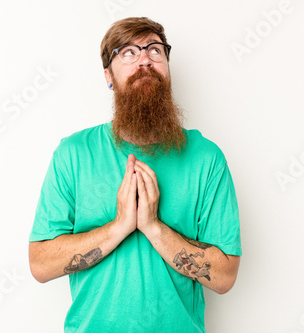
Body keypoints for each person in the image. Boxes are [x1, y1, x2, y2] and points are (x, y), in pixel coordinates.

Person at [28, 16, 242, 333]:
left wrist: (153, 227)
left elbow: (224, 277)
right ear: (108, 76)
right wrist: (120, 226)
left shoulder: (206, 158)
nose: (145, 59)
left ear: (167, 69)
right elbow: (41, 265)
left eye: (155, 50)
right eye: (128, 52)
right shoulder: (74, 154)